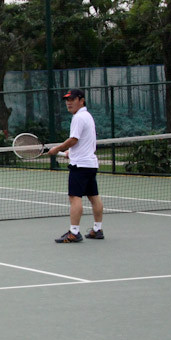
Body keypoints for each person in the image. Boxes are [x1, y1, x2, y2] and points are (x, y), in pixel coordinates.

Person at [47, 89, 104, 242]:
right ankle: (97, 229)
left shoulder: (78, 117)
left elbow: (74, 139)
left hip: (80, 166)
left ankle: (74, 232)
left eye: (72, 99)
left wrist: (58, 149)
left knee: (74, 197)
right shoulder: (87, 116)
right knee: (94, 196)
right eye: (67, 100)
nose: (69, 103)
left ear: (81, 100)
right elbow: (84, 141)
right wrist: (70, 152)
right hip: (90, 164)